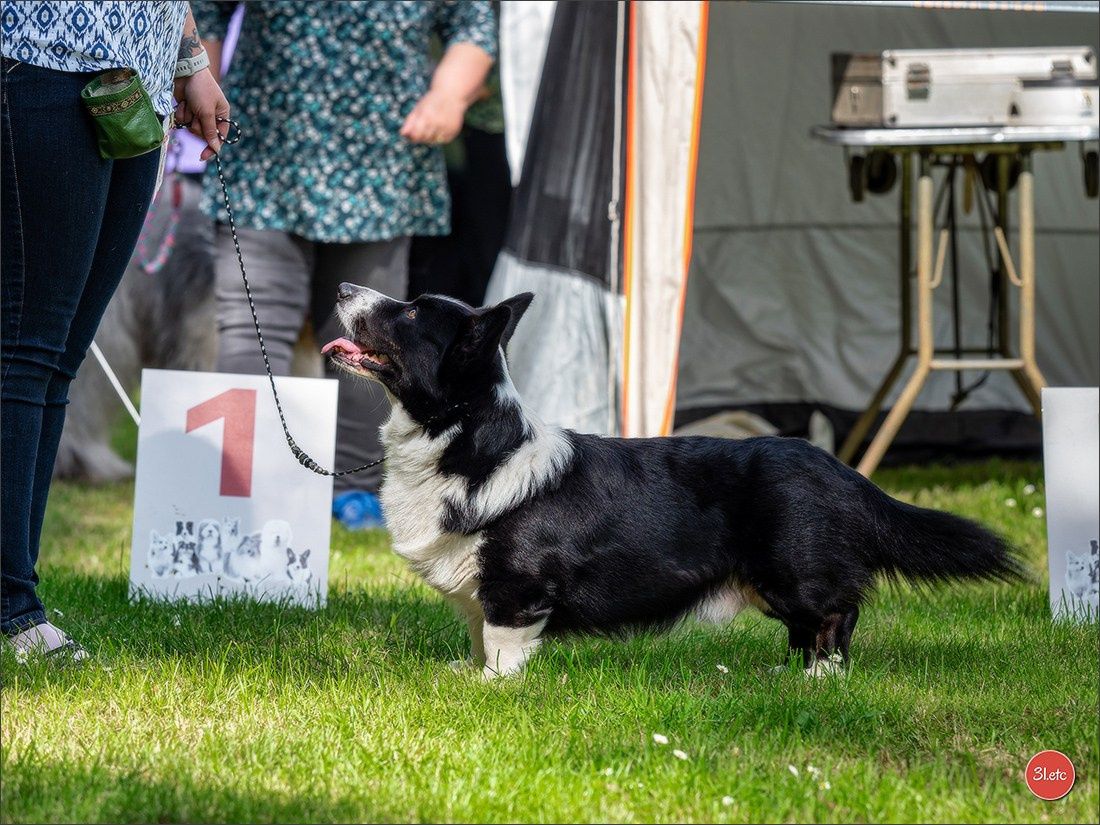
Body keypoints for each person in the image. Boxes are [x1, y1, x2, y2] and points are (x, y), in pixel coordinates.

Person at [191, 1, 496, 527]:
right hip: (266, 153)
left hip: (384, 163)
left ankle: (354, 490)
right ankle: (233, 486)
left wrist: (449, 95)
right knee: (250, 332)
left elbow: (473, 22)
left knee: (372, 345)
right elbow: (207, 12)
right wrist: (200, 80)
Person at [1, 1, 230, 661]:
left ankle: (19, 594)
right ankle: (17, 609)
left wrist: (191, 65)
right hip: (44, 60)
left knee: (60, 354)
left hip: (142, 80)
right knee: (28, 348)